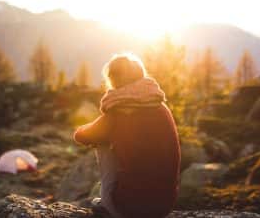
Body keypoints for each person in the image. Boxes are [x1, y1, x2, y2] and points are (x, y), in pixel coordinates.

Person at [73, 53, 181, 218]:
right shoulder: (160, 106)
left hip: (128, 209)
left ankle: (108, 200)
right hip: (163, 207)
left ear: (113, 79)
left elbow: (82, 136)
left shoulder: (118, 110)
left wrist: (92, 128)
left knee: (101, 141)